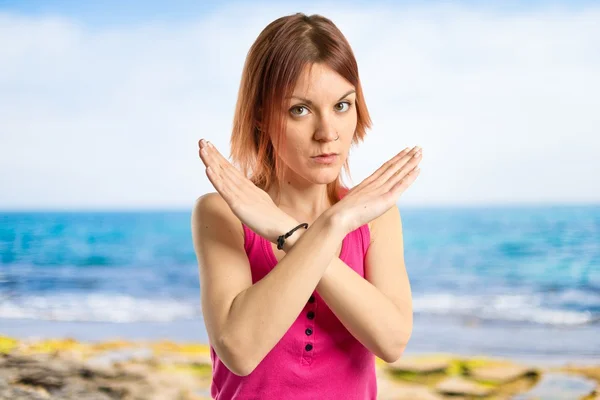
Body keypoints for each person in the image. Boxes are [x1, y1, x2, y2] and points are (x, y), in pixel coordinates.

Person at [191, 12, 422, 400]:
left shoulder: (373, 217)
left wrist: (321, 224)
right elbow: (240, 350)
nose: (327, 133)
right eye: (300, 109)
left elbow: (393, 341)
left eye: (342, 106)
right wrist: (326, 229)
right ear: (262, 117)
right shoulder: (221, 214)